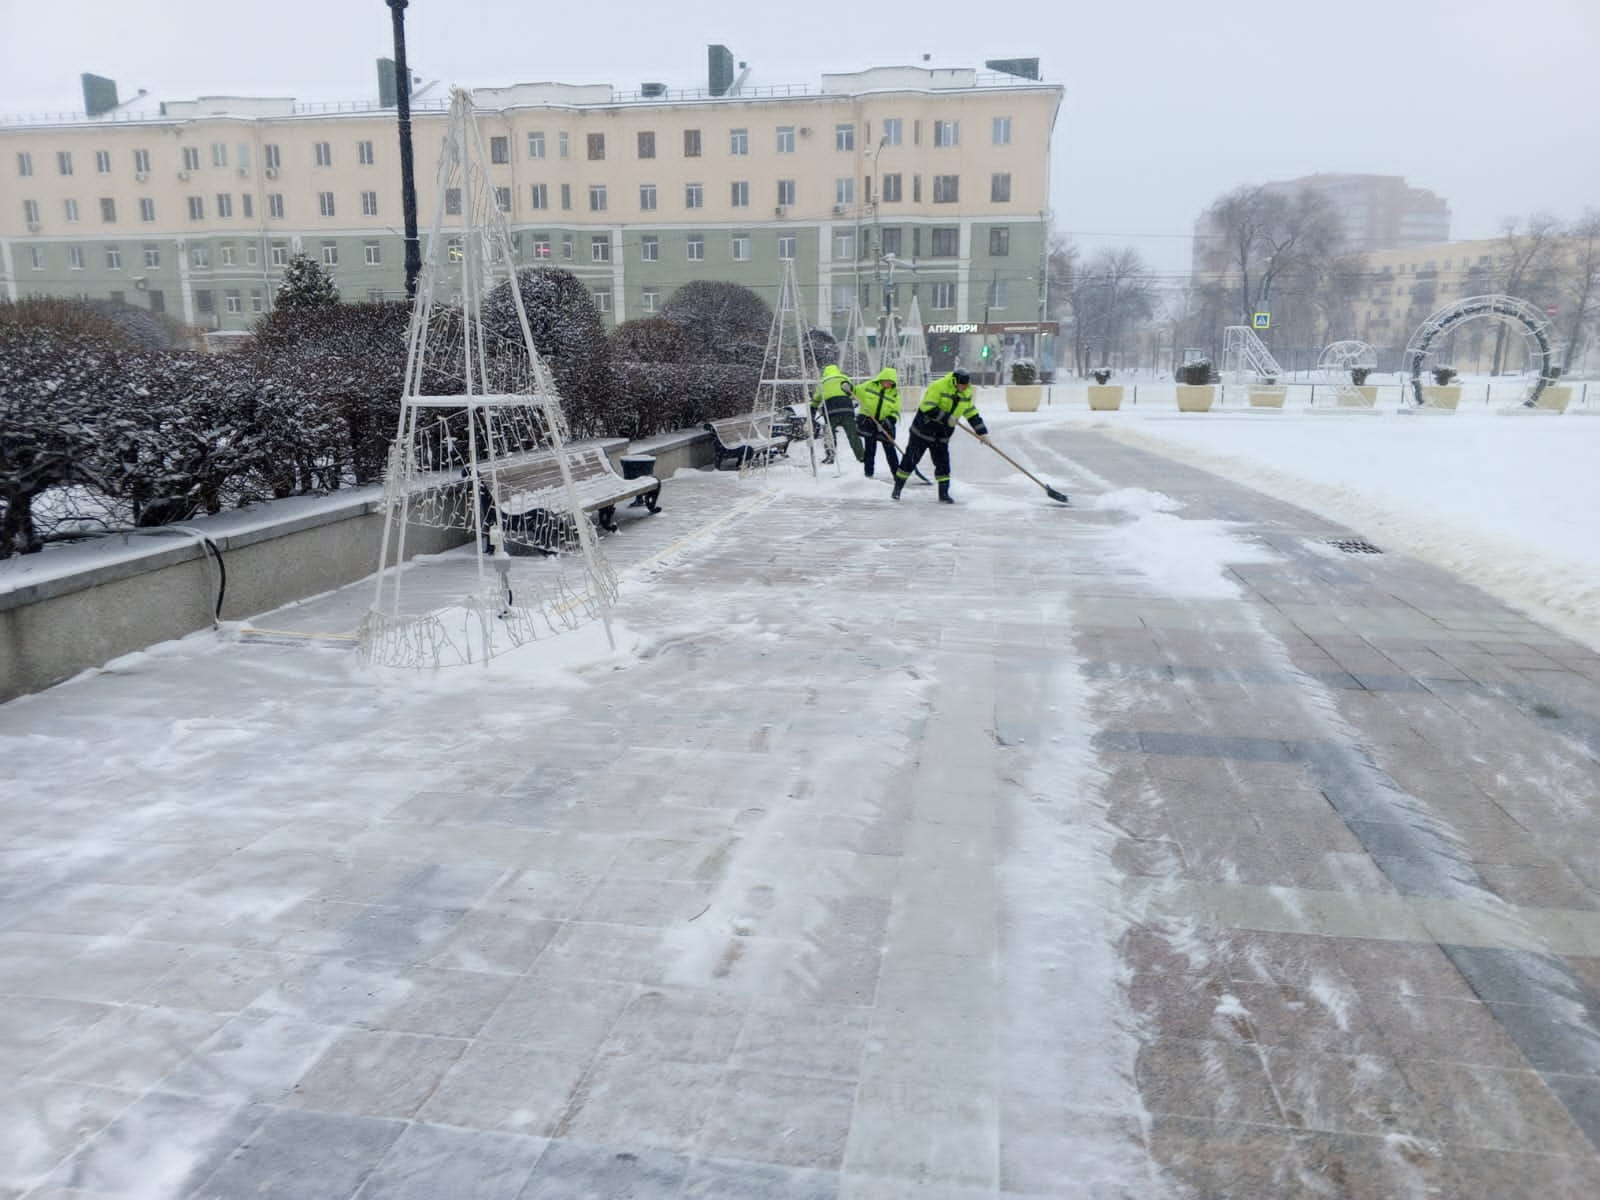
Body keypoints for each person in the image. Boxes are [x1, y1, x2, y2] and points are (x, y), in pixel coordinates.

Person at [892, 368, 988, 503]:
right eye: (961, 385)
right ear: (955, 381)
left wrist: (982, 432)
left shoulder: (966, 393)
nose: (963, 388)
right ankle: (897, 489)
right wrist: (947, 418)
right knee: (910, 460)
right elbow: (927, 407)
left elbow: (971, 413)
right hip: (922, 431)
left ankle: (943, 494)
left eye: (965, 385)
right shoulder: (938, 386)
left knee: (943, 464)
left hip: (942, 435)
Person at [852, 366, 902, 478]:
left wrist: (889, 421)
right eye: (887, 381)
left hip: (884, 425)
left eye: (891, 382)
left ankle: (896, 474)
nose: (888, 384)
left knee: (890, 449)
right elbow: (854, 390)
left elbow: (895, 411)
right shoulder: (869, 386)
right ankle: (868, 473)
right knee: (870, 450)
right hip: (869, 423)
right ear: (881, 379)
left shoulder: (894, 394)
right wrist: (847, 387)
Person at [811, 363, 864, 464]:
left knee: (829, 435)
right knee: (853, 434)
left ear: (825, 373)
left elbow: (816, 399)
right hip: (847, 409)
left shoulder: (822, 382)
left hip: (831, 411)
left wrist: (813, 409)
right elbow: (852, 391)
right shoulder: (844, 377)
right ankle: (861, 455)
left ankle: (830, 456)